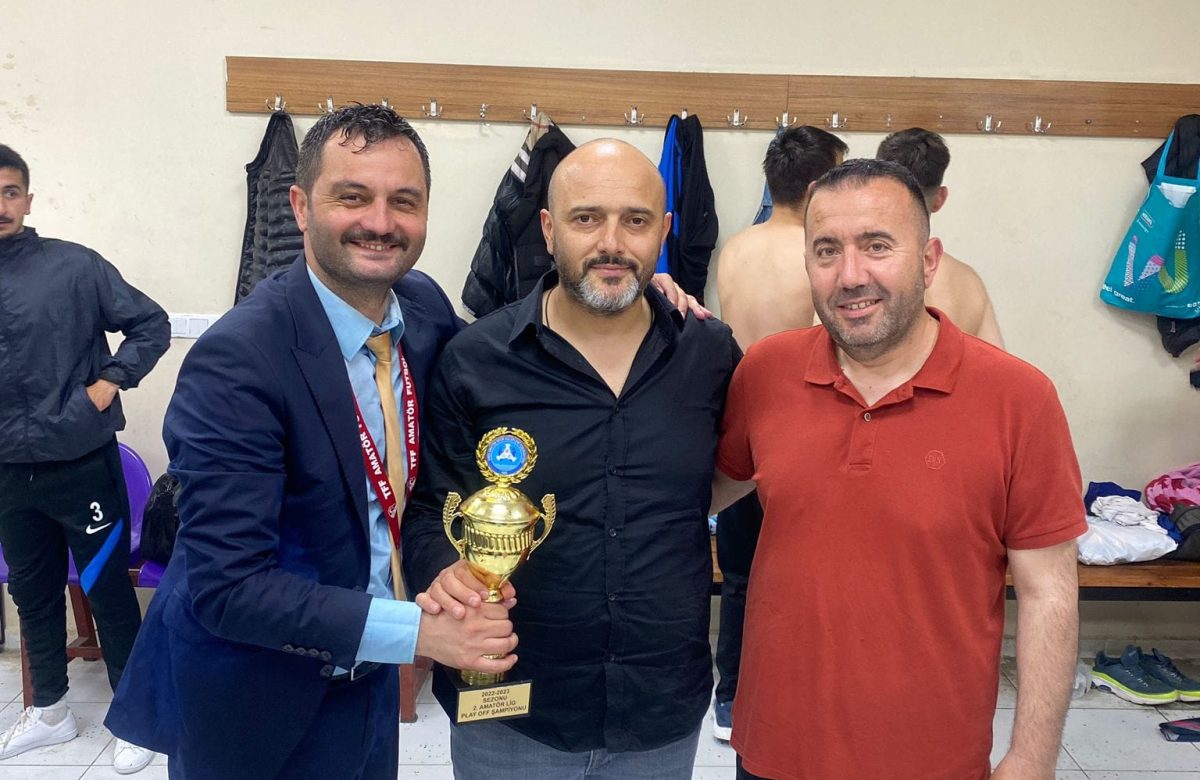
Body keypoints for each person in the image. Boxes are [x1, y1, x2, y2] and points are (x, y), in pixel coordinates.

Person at [103, 106, 521, 780]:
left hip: (368, 680)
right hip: (254, 694)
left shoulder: (420, 309)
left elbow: (505, 356)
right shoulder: (239, 360)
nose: (380, 222)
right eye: (352, 196)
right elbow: (230, 587)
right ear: (300, 207)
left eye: (403, 201)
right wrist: (420, 633)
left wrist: (635, 305)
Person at [712, 159, 1085, 779]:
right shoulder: (765, 373)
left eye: (877, 246)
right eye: (826, 251)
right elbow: (698, 493)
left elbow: (1049, 592)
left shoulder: (1019, 398)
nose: (850, 275)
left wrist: (1032, 758)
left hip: (932, 757)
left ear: (929, 261)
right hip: (775, 748)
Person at [404, 139, 740, 779]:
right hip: (510, 713)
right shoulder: (476, 359)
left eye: (635, 220)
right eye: (587, 218)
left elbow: (734, 475)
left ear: (664, 231)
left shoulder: (710, 354)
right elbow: (428, 509)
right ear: (549, 228)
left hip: (658, 714)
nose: (612, 242)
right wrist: (447, 573)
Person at [0, 145, 169, 773]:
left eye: (10, 192)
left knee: (106, 588)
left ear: (28, 199)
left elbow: (150, 323)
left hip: (80, 460)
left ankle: (135, 715)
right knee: (33, 591)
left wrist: (108, 383)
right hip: (8, 470)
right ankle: (50, 710)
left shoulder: (74, 266)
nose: (0, 205)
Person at [710, 125, 846, 741]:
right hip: (801, 428)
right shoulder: (818, 255)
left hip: (739, 422)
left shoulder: (736, 248)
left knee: (740, 577)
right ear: (817, 185)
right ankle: (794, 696)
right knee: (804, 574)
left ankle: (729, 700)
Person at [877, 128, 1005, 348]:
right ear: (940, 198)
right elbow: (997, 363)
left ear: (875, 193)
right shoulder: (968, 282)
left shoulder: (854, 276)